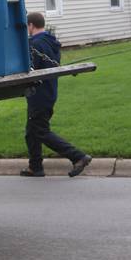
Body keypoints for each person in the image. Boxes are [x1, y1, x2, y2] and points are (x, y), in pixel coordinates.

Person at [21, 12, 92, 177]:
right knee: (31, 132)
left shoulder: (35, 44)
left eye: (27, 26)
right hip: (49, 92)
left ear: (30, 25)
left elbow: (32, 70)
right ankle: (35, 167)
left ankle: (78, 156)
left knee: (40, 131)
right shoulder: (51, 42)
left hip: (39, 95)